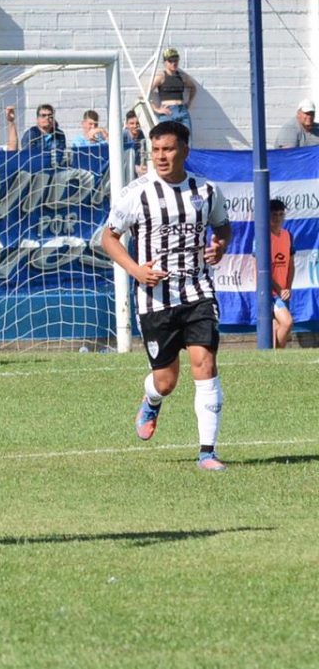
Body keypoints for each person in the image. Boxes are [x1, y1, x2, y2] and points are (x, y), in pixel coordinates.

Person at [100, 120, 231, 471]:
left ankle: (208, 452)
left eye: (168, 149)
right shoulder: (136, 193)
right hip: (155, 300)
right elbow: (108, 238)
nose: (160, 156)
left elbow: (222, 227)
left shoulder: (206, 191)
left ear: (185, 151)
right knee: (166, 380)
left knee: (205, 364)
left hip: (198, 292)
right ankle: (152, 398)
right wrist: (136, 270)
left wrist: (219, 247)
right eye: (155, 150)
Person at [269, 198, 295, 348]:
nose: (277, 218)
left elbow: (291, 265)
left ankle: (276, 361)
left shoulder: (288, 235)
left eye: (280, 214)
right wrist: (279, 289)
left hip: (283, 291)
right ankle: (276, 357)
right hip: (270, 292)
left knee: (280, 326)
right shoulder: (262, 236)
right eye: (274, 215)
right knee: (287, 322)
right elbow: (261, 269)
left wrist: (288, 288)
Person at [151, 48, 197, 132]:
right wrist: (156, 109)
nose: (174, 63)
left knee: (186, 139)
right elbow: (146, 93)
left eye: (176, 60)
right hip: (168, 111)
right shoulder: (161, 77)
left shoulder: (182, 76)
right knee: (166, 138)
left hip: (182, 110)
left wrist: (189, 103)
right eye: (170, 61)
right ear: (165, 62)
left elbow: (193, 88)